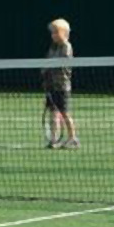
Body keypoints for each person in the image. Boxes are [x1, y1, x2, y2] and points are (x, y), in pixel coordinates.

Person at [43, 19, 79, 149]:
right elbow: (47, 63)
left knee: (65, 113)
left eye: (55, 32)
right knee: (53, 113)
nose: (53, 35)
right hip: (51, 86)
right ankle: (54, 140)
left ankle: (72, 139)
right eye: (52, 33)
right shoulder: (52, 47)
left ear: (63, 32)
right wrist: (44, 74)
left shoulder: (66, 46)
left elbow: (61, 63)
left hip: (62, 86)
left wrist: (50, 68)